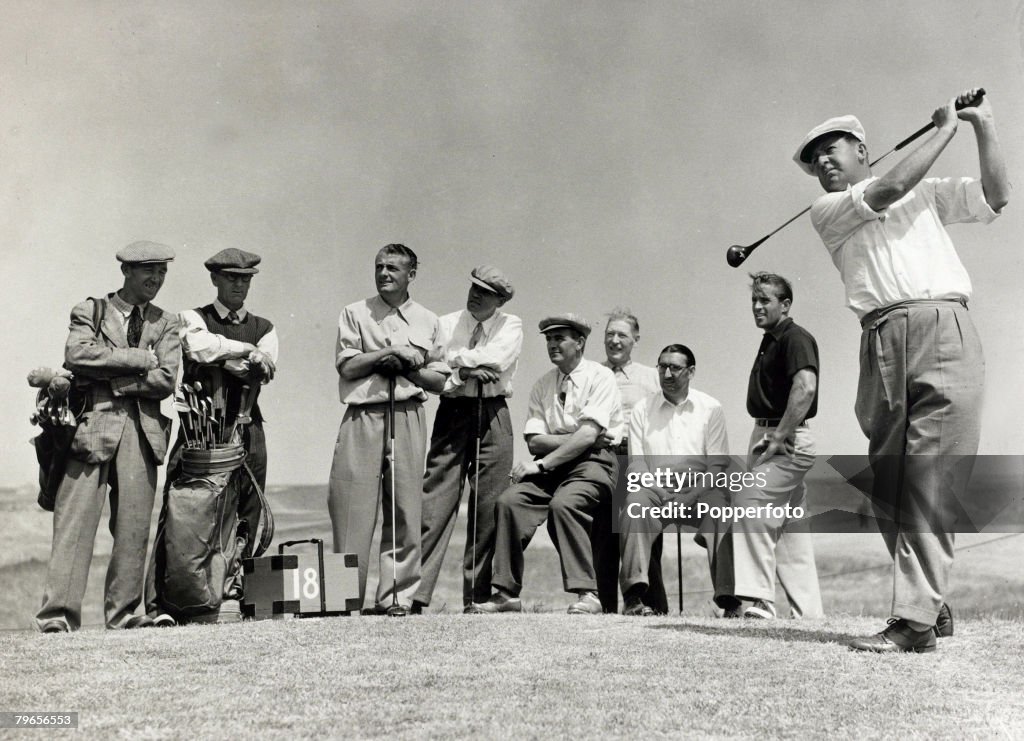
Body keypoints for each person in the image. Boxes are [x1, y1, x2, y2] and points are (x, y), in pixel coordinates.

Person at [798, 88, 1009, 652]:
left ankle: (914, 621)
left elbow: (997, 195)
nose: (822, 160)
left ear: (861, 147)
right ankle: (930, 602)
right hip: (880, 339)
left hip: (944, 325)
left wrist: (981, 124)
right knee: (888, 483)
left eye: (832, 147)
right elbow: (889, 188)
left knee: (930, 476)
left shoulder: (926, 193)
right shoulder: (830, 210)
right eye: (814, 156)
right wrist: (945, 130)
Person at [36, 241, 180, 632]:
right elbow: (77, 355)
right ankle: (58, 617)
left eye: (162, 271)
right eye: (148, 270)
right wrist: (136, 361)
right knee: (74, 524)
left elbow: (165, 379)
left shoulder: (167, 322)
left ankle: (126, 615)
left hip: (143, 435)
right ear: (126, 272)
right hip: (89, 431)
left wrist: (109, 380)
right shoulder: (91, 311)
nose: (156, 278)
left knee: (133, 529)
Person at [144, 247, 278, 625]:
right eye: (231, 278)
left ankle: (236, 600)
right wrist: (244, 352)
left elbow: (264, 370)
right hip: (199, 429)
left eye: (245, 278)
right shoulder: (192, 317)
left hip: (247, 427)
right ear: (215, 279)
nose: (239, 284)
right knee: (182, 511)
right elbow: (197, 347)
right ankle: (162, 605)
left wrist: (230, 358)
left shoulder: (265, 326)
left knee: (248, 511)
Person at [470, 313, 622, 615]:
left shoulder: (600, 376)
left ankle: (587, 594)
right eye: (549, 339)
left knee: (565, 504)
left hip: (594, 464)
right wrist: (578, 436)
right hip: (556, 465)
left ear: (579, 342)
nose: (552, 345)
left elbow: (589, 437)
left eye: (559, 338)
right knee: (510, 502)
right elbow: (536, 442)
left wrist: (569, 445)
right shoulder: (543, 384)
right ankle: (505, 593)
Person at [328, 244, 448, 612]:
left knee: (404, 508)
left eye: (393, 268)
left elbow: (439, 380)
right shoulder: (354, 313)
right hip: (363, 416)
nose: (384, 274)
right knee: (350, 509)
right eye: (379, 267)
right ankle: (342, 599)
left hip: (409, 415)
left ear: (411, 274)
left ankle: (396, 597)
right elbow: (347, 367)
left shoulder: (429, 320)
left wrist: (410, 367)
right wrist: (386, 354)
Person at [414, 266, 522, 613]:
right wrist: (465, 370)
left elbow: (496, 359)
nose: (475, 295)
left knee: (489, 507)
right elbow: (433, 366)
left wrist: (459, 365)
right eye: (474, 288)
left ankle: (476, 598)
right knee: (435, 501)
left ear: (500, 301)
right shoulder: (444, 323)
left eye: (486, 293)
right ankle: (414, 596)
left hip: (493, 413)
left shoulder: (511, 325)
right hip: (453, 412)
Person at [715, 272, 823, 620]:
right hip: (768, 433)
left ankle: (760, 599)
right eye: (754, 301)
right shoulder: (772, 339)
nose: (758, 306)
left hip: (784, 438)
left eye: (765, 300)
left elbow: (805, 387)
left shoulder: (795, 337)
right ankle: (809, 614)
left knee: (749, 501)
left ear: (785, 304)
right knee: (791, 528)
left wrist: (779, 436)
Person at [618, 344, 731, 616]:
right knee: (634, 504)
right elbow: (636, 464)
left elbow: (717, 466)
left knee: (721, 508)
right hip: (655, 489)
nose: (667, 374)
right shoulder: (642, 409)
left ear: (691, 372)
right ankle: (635, 598)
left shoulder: (710, 407)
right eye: (662, 366)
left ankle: (730, 600)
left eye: (675, 368)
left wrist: (690, 496)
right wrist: (660, 491)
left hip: (700, 489)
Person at [596, 309, 666, 614]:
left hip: (638, 457)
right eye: (609, 334)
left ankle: (650, 604)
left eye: (622, 334)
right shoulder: (593, 373)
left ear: (635, 339)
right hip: (601, 457)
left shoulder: (650, 377)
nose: (614, 340)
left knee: (642, 528)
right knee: (604, 533)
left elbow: (664, 417)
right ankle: (607, 606)